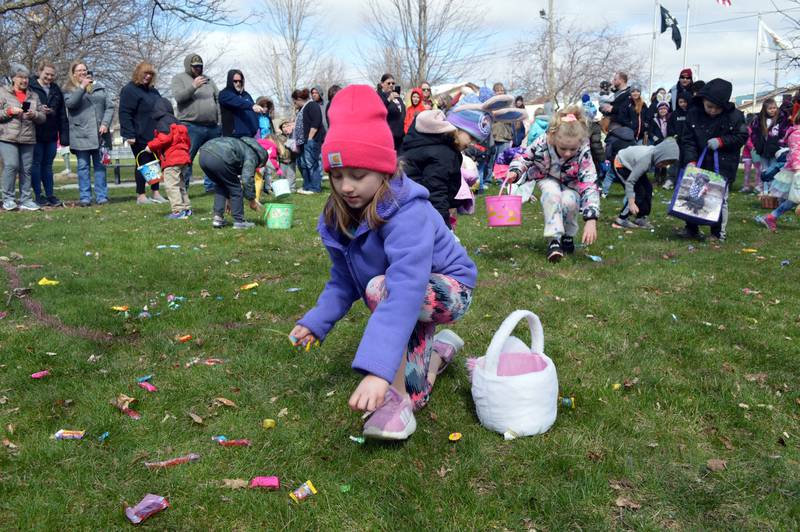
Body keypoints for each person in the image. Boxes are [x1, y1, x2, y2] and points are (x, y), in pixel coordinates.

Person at [289, 85, 477, 441]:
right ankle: (437, 353)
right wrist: (317, 321)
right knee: (419, 389)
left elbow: (406, 289)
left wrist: (378, 371)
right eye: (337, 175)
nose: (346, 186)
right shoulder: (341, 213)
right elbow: (343, 279)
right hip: (403, 290)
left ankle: (397, 398)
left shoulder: (408, 212)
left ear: (384, 170)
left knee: (381, 288)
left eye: (358, 175)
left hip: (450, 289)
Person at [508, 106, 600, 262]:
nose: (568, 153)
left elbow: (589, 182)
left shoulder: (583, 152)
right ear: (553, 138)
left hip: (572, 183)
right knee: (552, 194)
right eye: (563, 148)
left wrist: (591, 219)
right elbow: (524, 158)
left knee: (569, 201)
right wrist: (516, 171)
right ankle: (554, 240)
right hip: (547, 176)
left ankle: (567, 236)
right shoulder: (542, 143)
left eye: (573, 149)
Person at [678, 78, 747, 241]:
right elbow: (688, 140)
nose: (713, 111)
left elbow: (742, 135)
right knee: (693, 194)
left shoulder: (735, 116)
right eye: (709, 106)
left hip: (722, 164)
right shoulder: (693, 114)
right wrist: (690, 160)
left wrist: (722, 141)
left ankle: (717, 233)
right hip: (699, 162)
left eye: (717, 108)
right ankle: (691, 228)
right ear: (702, 100)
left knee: (719, 198)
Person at [401, 110, 469, 229]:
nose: (472, 143)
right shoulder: (442, 154)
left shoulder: (417, 147)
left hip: (406, 211)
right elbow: (436, 194)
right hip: (421, 213)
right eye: (472, 138)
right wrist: (444, 229)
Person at [63, 62, 114, 207]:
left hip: (100, 134)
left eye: (84, 70)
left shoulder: (100, 87)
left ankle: (102, 196)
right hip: (81, 134)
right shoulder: (68, 89)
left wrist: (105, 123)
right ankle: (85, 197)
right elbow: (71, 104)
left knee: (100, 166)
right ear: (73, 73)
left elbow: (109, 107)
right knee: (83, 167)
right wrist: (82, 87)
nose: (82, 72)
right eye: (79, 70)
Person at [119, 61, 167, 205]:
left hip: (154, 133)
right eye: (145, 73)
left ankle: (156, 192)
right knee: (143, 162)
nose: (147, 76)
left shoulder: (153, 91)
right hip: (138, 134)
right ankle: (141, 195)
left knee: (155, 162)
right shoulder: (129, 90)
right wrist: (129, 134)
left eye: (150, 74)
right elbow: (125, 113)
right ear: (138, 73)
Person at [170, 53, 220, 190]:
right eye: (195, 66)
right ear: (188, 66)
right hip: (190, 126)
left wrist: (219, 121)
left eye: (200, 66)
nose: (198, 69)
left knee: (213, 158)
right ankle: (182, 187)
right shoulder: (179, 78)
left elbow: (217, 99)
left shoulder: (208, 80)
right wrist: (194, 86)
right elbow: (179, 98)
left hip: (212, 126)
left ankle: (211, 186)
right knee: (186, 159)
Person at [0, 63, 46, 211]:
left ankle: (26, 199)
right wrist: (9, 111)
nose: (24, 80)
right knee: (11, 165)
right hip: (8, 137)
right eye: (20, 77)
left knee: (26, 169)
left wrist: (35, 115)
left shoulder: (33, 95)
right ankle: (8, 199)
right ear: (13, 78)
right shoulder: (3, 92)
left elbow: (42, 117)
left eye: (26, 78)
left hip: (28, 138)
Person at [198, 135, 267, 229]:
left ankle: (218, 218)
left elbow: (227, 180)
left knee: (221, 185)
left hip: (203, 154)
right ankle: (239, 221)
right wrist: (252, 200)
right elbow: (247, 179)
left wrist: (229, 199)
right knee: (236, 188)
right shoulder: (253, 155)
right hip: (219, 157)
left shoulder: (242, 144)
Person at [612, 138, 678, 229]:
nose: (665, 166)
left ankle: (641, 217)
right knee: (638, 192)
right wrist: (631, 203)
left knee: (648, 189)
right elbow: (630, 182)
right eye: (664, 163)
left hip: (634, 165)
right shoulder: (645, 160)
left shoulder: (655, 153)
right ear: (660, 156)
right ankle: (621, 219)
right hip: (621, 164)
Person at [28, 61, 69, 207]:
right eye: (47, 74)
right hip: (35, 132)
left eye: (52, 75)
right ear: (39, 72)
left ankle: (50, 195)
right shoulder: (30, 87)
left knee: (48, 165)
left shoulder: (56, 89)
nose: (49, 77)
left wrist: (64, 135)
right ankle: (38, 195)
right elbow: (24, 105)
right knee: (36, 164)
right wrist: (38, 110)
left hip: (52, 133)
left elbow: (62, 113)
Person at [145, 98, 191, 218]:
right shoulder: (178, 122)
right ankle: (186, 208)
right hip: (183, 159)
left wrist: (150, 147)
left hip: (172, 160)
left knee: (171, 185)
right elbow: (188, 142)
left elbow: (163, 139)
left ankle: (178, 211)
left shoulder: (163, 122)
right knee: (180, 185)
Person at [756, 112, 800, 231]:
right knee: (794, 199)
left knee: (793, 200)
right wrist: (797, 169)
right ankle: (771, 217)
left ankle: (771, 217)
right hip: (796, 171)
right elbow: (796, 153)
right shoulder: (796, 134)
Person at [748, 97, 789, 195]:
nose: (772, 110)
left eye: (774, 108)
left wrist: (781, 143)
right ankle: (765, 190)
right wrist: (756, 143)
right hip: (763, 149)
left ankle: (773, 191)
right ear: (765, 109)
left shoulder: (781, 119)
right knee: (765, 169)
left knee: (774, 169)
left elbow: (784, 132)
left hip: (775, 149)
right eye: (770, 108)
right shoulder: (759, 120)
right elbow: (754, 133)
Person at [291, 88, 326, 194]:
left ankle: (315, 187)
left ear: (299, 99)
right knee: (303, 164)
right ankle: (307, 186)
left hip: (311, 141)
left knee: (311, 164)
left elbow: (316, 121)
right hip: (302, 142)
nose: (294, 104)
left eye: (294, 102)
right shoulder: (301, 109)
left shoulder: (312, 105)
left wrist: (310, 138)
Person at [219, 69, 261, 138]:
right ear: (230, 81)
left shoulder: (246, 95)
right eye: (235, 81)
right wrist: (251, 106)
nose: (238, 83)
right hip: (234, 136)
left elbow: (253, 114)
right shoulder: (224, 94)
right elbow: (238, 102)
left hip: (250, 136)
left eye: (240, 81)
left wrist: (256, 129)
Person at [377, 74, 406, 150]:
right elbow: (378, 111)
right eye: (388, 83)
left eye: (393, 83)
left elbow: (402, 112)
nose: (391, 85)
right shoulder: (379, 96)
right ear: (382, 84)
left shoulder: (396, 96)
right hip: (389, 136)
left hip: (401, 135)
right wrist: (388, 99)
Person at [647, 101, 672, 184]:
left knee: (665, 160)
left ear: (667, 110)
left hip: (667, 142)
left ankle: (663, 178)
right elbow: (650, 131)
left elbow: (672, 130)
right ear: (658, 110)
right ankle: (657, 178)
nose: (663, 111)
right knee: (658, 160)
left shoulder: (670, 119)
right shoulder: (654, 120)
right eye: (661, 109)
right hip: (657, 142)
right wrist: (655, 138)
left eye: (665, 109)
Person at [275, 118, 297, 191]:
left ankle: (292, 188)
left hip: (292, 159)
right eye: (283, 127)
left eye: (287, 126)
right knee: (282, 176)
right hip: (282, 160)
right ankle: (283, 189)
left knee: (291, 175)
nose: (285, 128)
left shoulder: (294, 135)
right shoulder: (279, 137)